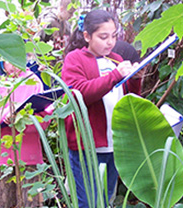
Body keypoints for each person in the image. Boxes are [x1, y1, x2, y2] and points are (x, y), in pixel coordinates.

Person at [61, 9, 142, 208]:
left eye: (114, 36)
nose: (110, 42)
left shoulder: (115, 58)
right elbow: (78, 94)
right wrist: (115, 75)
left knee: (106, 201)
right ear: (87, 36)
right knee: (88, 203)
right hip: (86, 146)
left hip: (115, 144)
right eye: (103, 37)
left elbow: (129, 99)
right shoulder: (74, 59)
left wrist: (135, 79)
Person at [0, 58, 54, 207]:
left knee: (30, 202)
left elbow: (44, 120)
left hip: (28, 156)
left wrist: (24, 119)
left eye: (18, 58)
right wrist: (4, 116)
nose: (15, 65)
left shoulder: (32, 80)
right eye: (9, 60)